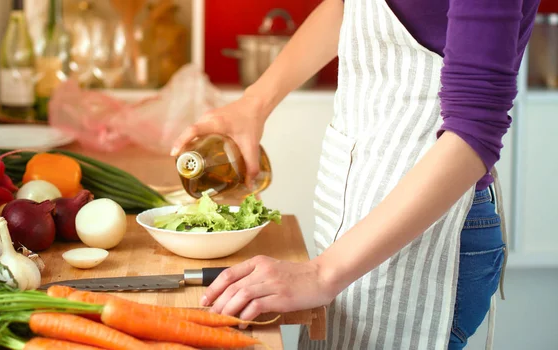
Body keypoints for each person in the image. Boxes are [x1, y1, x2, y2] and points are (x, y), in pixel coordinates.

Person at [170, 0, 540, 349]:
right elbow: (347, 7)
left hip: (431, 234)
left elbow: (472, 135)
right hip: (355, 218)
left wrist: (323, 274)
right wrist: (253, 104)